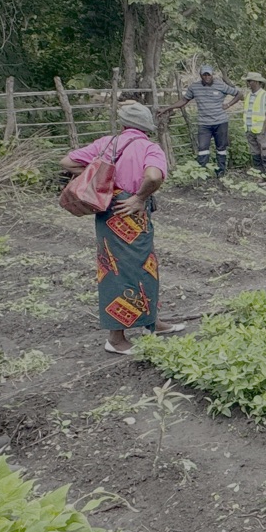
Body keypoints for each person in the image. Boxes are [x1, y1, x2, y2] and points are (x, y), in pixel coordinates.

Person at [59, 103, 186, 355]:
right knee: (138, 267)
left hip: (108, 212)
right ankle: (115, 338)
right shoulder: (150, 148)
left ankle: (152, 322)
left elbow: (67, 161)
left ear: (124, 124)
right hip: (131, 211)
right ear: (147, 128)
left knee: (118, 268)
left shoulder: (107, 143)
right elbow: (153, 177)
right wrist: (139, 198)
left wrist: (100, 177)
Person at [160, 64, 241, 178]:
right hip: (204, 123)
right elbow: (184, 100)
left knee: (221, 148)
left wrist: (228, 105)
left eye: (209, 74)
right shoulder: (194, 87)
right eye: (204, 75)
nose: (207, 77)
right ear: (201, 76)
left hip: (220, 122)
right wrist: (167, 108)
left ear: (212, 75)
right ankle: (202, 173)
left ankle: (221, 172)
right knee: (203, 148)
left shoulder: (220, 85)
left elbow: (239, 94)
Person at [241, 72, 266, 180]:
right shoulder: (249, 95)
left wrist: (263, 130)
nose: (248, 83)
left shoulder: (264, 95)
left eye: (249, 81)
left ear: (256, 82)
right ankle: (260, 176)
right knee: (255, 155)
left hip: (261, 131)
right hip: (250, 129)